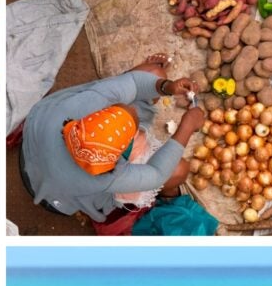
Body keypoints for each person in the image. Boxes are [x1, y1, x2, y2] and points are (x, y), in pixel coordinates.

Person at [20, 54, 205, 233]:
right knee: (177, 171)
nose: (132, 110)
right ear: (116, 160)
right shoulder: (105, 176)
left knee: (154, 74)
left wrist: (167, 86)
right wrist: (187, 127)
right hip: (53, 193)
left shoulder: (84, 107)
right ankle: (163, 194)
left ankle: (129, 89)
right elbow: (157, 174)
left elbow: (134, 82)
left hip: (37, 143)